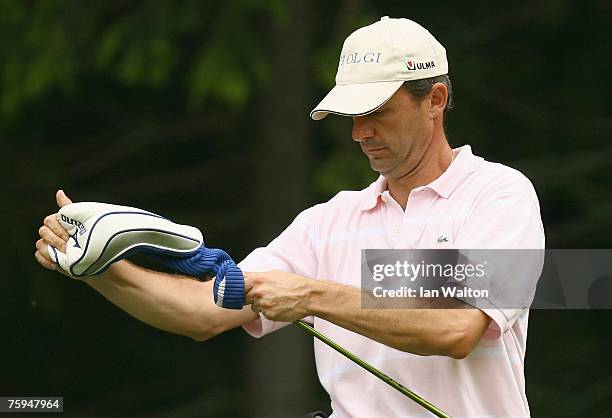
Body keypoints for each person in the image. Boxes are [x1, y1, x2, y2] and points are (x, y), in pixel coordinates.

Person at [35, 17, 544, 417]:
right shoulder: (327, 223)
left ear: (434, 100)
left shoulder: (498, 197)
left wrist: (314, 295)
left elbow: (455, 328)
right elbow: (201, 314)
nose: (359, 133)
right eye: (352, 116)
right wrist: (95, 267)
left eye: (377, 112)